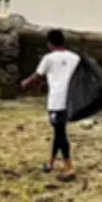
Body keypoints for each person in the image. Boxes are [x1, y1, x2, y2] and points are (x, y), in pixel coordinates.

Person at [20, 29, 81, 180]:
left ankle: (69, 168)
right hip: (70, 100)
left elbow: (38, 75)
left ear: (49, 43)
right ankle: (51, 163)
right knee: (58, 131)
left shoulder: (48, 58)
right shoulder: (75, 57)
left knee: (60, 134)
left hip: (56, 100)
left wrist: (26, 83)